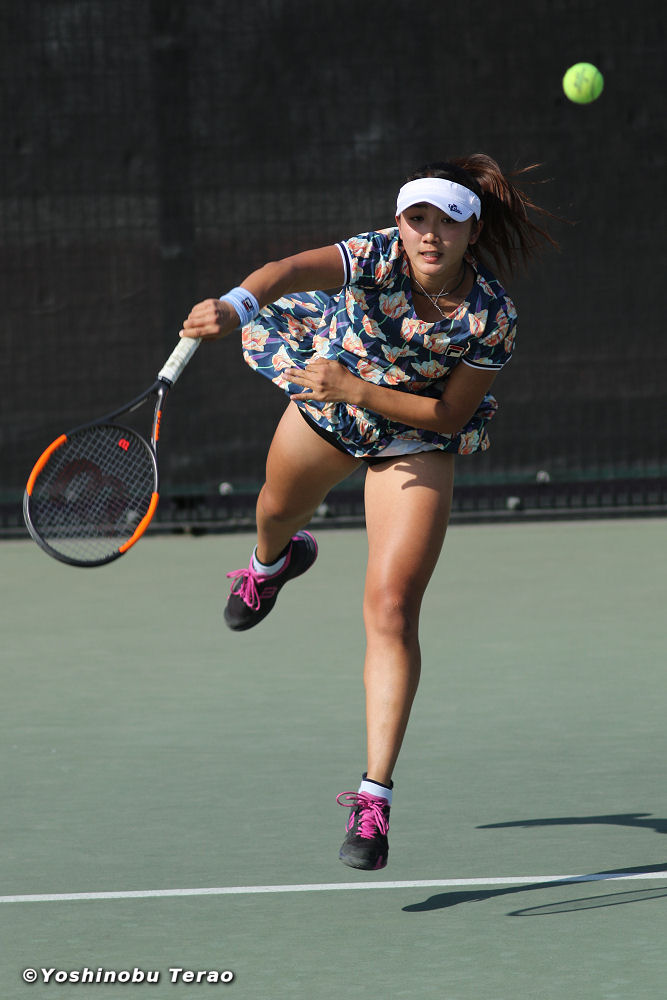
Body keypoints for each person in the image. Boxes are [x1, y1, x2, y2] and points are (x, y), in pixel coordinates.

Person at [181, 154, 557, 871]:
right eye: (417, 219)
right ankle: (272, 563)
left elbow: (449, 415)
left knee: (391, 609)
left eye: (448, 222)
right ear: (399, 223)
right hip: (332, 405)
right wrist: (236, 306)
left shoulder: (492, 316)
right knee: (274, 512)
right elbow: (286, 271)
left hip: (413, 431)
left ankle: (373, 797)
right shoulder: (375, 256)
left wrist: (355, 389)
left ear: (472, 231)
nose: (430, 234)